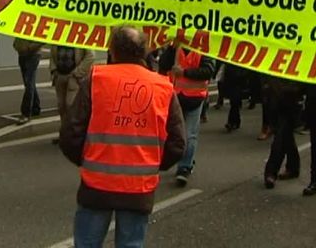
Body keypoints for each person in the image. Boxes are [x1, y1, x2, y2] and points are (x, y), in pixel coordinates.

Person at [59, 26, 186, 247]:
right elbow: (177, 143)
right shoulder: (163, 87)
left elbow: (71, 132)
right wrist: (153, 164)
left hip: (96, 185)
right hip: (138, 189)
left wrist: (87, 160)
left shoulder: (97, 78)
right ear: (144, 51)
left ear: (112, 50)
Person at [159, 37, 214, 186]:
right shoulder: (175, 48)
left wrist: (184, 72)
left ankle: (184, 167)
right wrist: (171, 49)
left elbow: (208, 72)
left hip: (194, 99)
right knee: (174, 134)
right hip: (176, 97)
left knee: (189, 135)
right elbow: (163, 65)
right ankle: (178, 161)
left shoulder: (202, 50)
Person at [263, 76, 303, 189]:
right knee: (286, 136)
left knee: (280, 138)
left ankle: (271, 172)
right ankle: (293, 166)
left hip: (290, 100)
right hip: (276, 99)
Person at [49, 45, 94, 144]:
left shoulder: (80, 37)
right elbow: (52, 55)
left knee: (71, 105)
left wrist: (77, 73)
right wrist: (54, 71)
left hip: (74, 77)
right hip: (60, 76)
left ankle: (76, 134)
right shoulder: (57, 38)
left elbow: (90, 56)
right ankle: (65, 134)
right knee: (61, 106)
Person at [13, 37, 44, 124]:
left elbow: (43, 39)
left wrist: (30, 47)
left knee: (29, 83)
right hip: (22, 54)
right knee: (29, 83)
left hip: (33, 55)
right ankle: (35, 107)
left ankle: (26, 113)